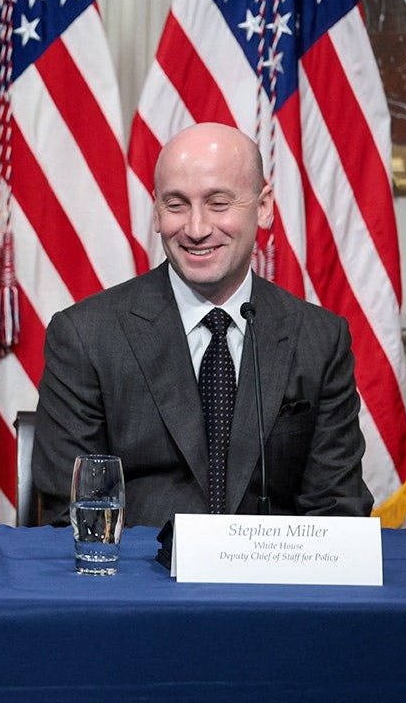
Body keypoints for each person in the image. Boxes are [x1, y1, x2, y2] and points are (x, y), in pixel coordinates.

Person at [33, 122, 372, 527]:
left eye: (218, 203)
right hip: (139, 565)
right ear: (156, 212)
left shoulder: (320, 339)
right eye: (176, 205)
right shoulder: (85, 336)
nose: (196, 229)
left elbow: (337, 511)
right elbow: (73, 513)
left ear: (264, 207)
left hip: (275, 567)